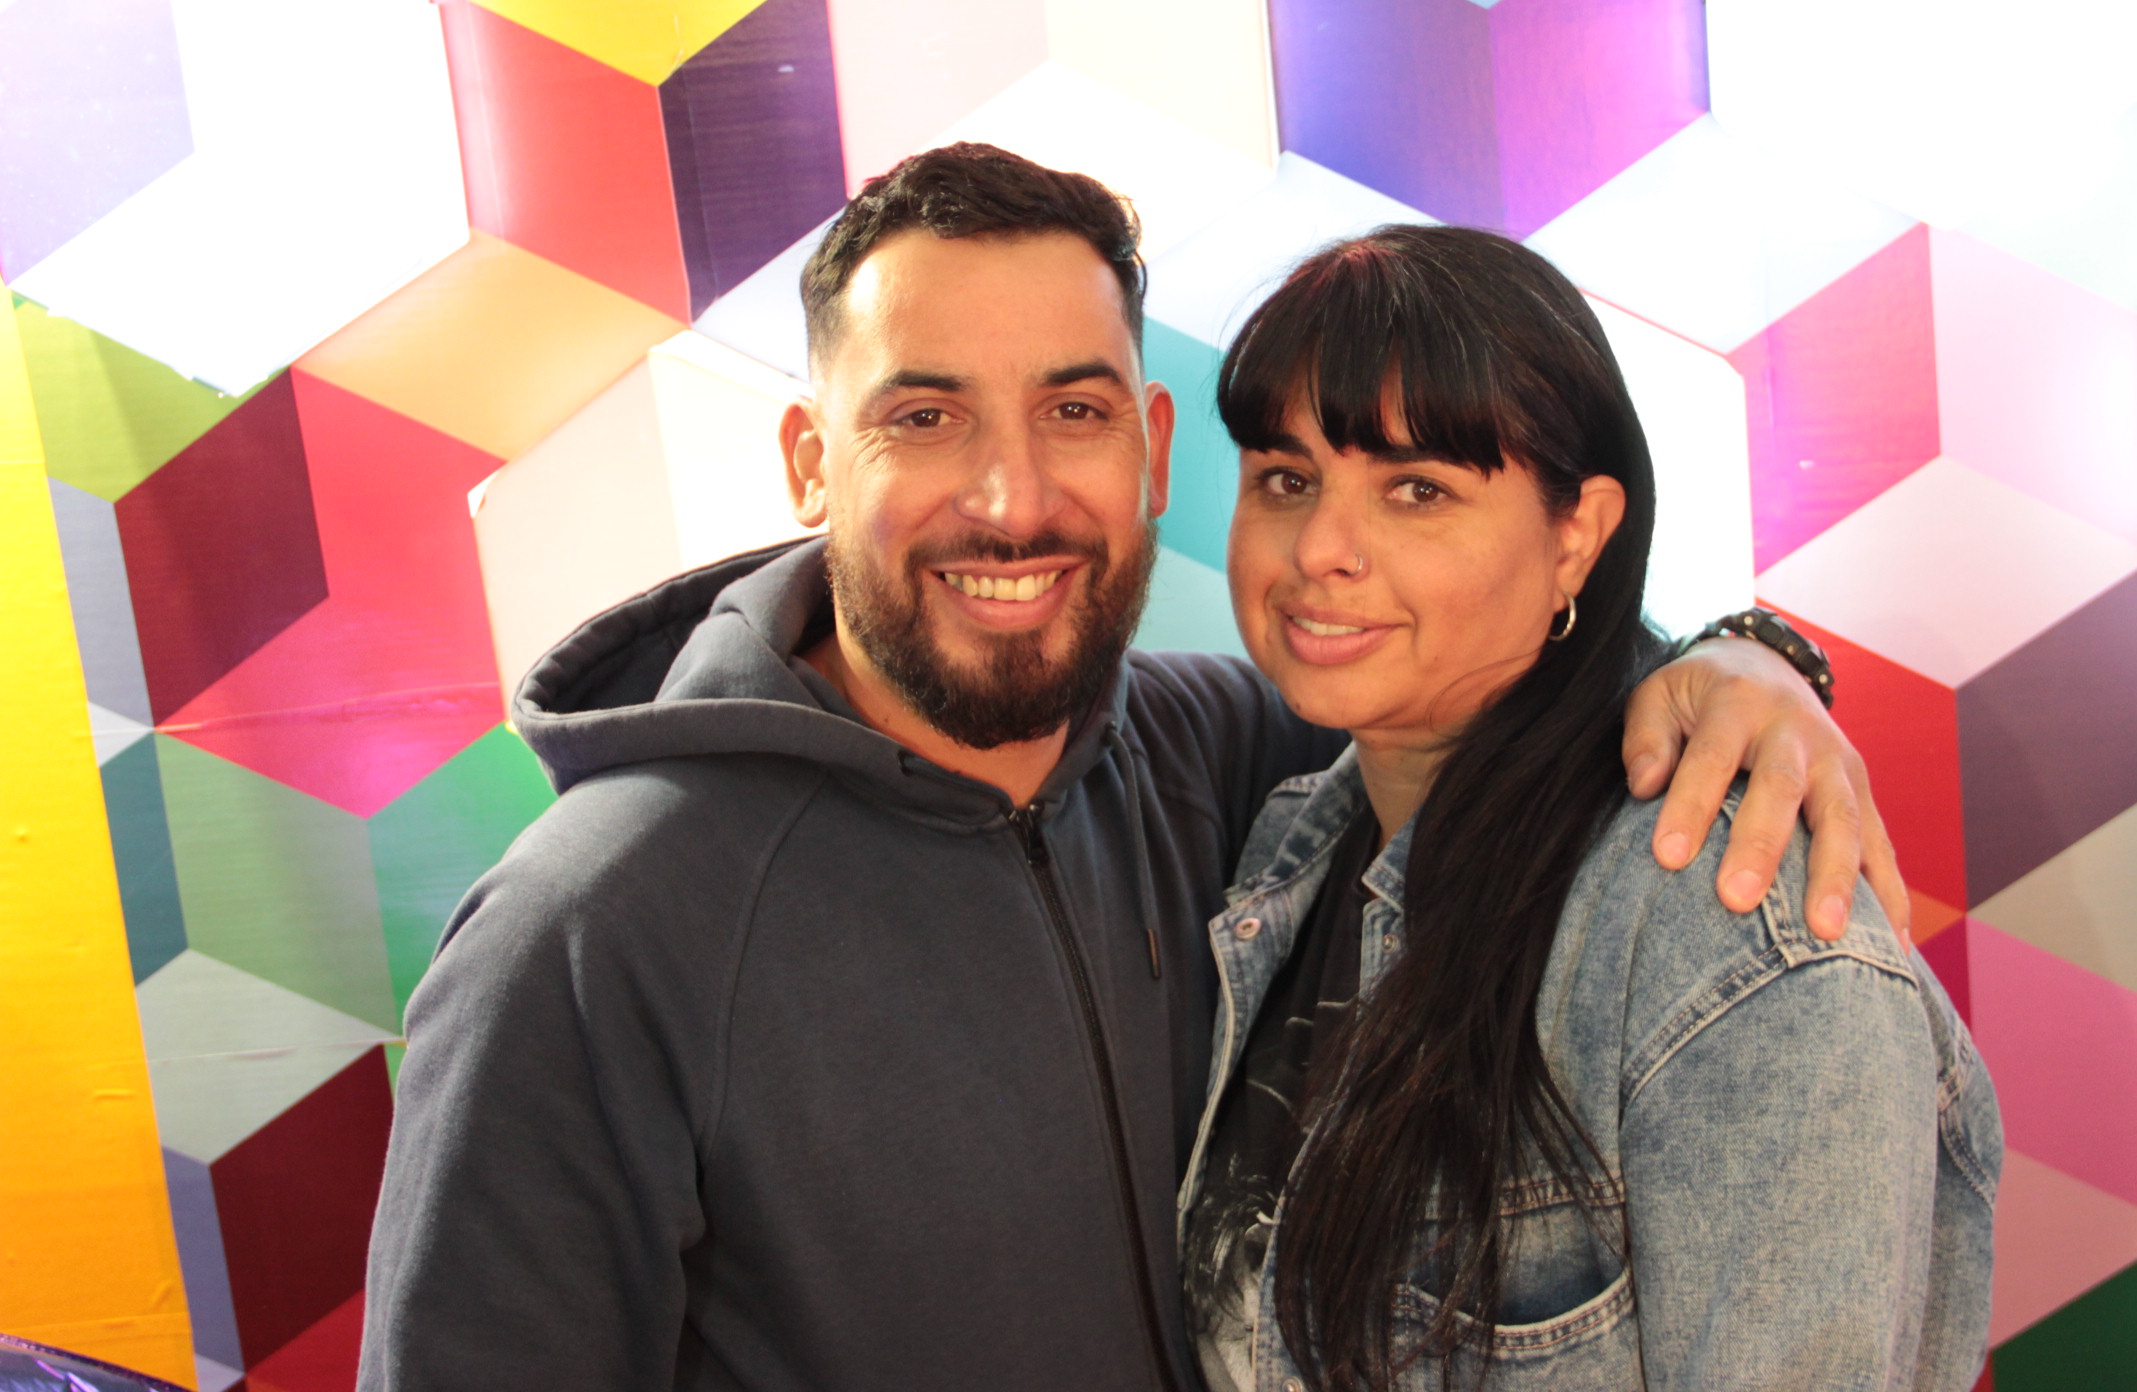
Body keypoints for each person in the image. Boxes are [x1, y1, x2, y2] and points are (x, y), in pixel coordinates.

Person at [358, 146, 1904, 1391]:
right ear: (813, 462)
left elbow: (1491, 669)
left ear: (1153, 448)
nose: (1011, 494)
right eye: (924, 415)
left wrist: (1743, 660)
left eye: (1074, 411)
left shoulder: (1228, 759)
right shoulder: (592, 927)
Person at [1182, 226, 1998, 1391]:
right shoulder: (1291, 841)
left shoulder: (1729, 929)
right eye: (1285, 479)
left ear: (1579, 536)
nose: (1320, 549)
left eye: (1417, 490)